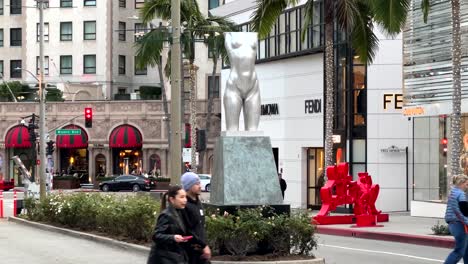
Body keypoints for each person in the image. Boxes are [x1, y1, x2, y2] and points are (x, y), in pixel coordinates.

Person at [147, 186, 194, 264]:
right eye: (182, 197)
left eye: (185, 197)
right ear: (172, 199)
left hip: (175, 256)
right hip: (165, 258)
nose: (185, 200)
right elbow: (156, 235)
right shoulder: (166, 215)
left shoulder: (180, 212)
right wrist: (173, 238)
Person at [180, 172, 211, 264]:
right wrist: (204, 245)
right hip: (190, 252)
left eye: (199, 183)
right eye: (196, 184)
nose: (200, 186)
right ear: (188, 186)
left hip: (200, 251)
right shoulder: (184, 205)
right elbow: (188, 230)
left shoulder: (198, 203)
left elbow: (199, 226)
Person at [444, 174, 468, 264]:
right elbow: (465, 210)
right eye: (466, 184)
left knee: (466, 250)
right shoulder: (460, 193)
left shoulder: (453, 192)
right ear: (461, 183)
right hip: (459, 224)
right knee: (459, 251)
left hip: (453, 223)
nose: (467, 186)